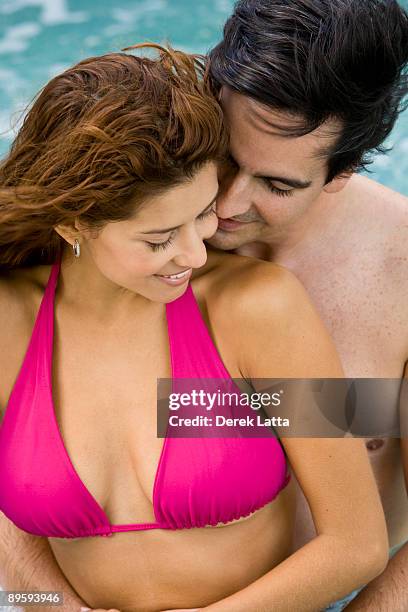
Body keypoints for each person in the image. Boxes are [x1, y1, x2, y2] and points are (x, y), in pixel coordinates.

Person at [0, 44, 388, 612]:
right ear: (72, 223)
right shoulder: (9, 320)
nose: (195, 254)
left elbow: (357, 544)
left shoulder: (260, 308)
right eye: (158, 239)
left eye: (202, 214)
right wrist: (53, 606)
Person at [206, 0, 408, 609]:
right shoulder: (109, 223)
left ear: (342, 171)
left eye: (277, 185)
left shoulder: (400, 271)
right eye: (224, 157)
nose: (227, 205)